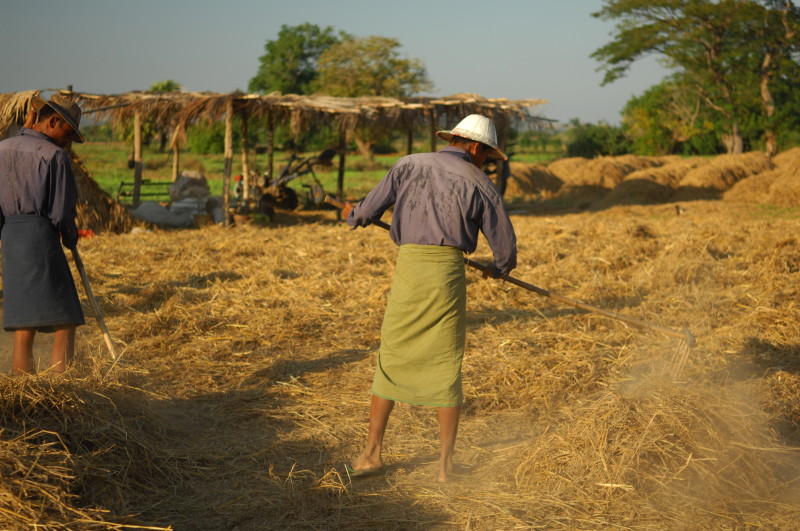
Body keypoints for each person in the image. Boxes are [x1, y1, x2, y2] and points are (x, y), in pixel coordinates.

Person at [342, 114, 517, 483]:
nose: (485, 162)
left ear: (453, 139)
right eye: (486, 155)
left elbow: (368, 211)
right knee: (445, 362)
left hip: (409, 271)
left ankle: (371, 455)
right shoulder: (480, 183)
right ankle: (444, 467)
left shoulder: (408, 164)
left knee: (391, 356)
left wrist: (352, 214)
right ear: (475, 147)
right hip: (445, 276)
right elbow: (504, 245)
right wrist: (499, 268)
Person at [0, 94, 86, 375]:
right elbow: (60, 212)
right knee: (66, 317)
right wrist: (70, 236)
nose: (68, 142)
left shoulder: (2, 148)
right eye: (68, 133)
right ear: (53, 121)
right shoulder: (54, 156)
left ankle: (24, 390)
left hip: (11, 238)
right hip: (40, 236)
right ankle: (62, 388)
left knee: (24, 323)